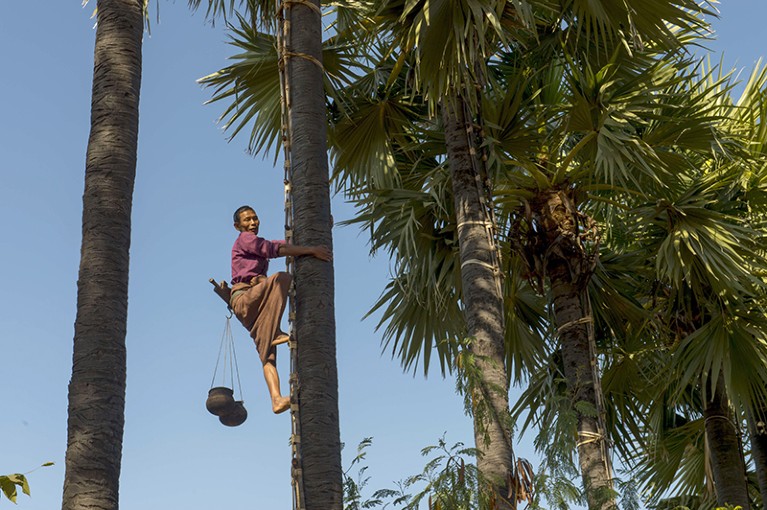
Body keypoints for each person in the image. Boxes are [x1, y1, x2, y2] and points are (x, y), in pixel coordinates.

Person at [229, 205, 332, 414]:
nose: (252, 223)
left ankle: (276, 399)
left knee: (267, 355)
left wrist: (323, 228)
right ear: (237, 226)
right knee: (281, 279)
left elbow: (285, 245)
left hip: (255, 308)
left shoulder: (256, 242)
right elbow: (276, 250)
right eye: (247, 220)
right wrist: (312, 251)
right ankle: (275, 332)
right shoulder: (245, 240)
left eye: (255, 219)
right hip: (245, 299)